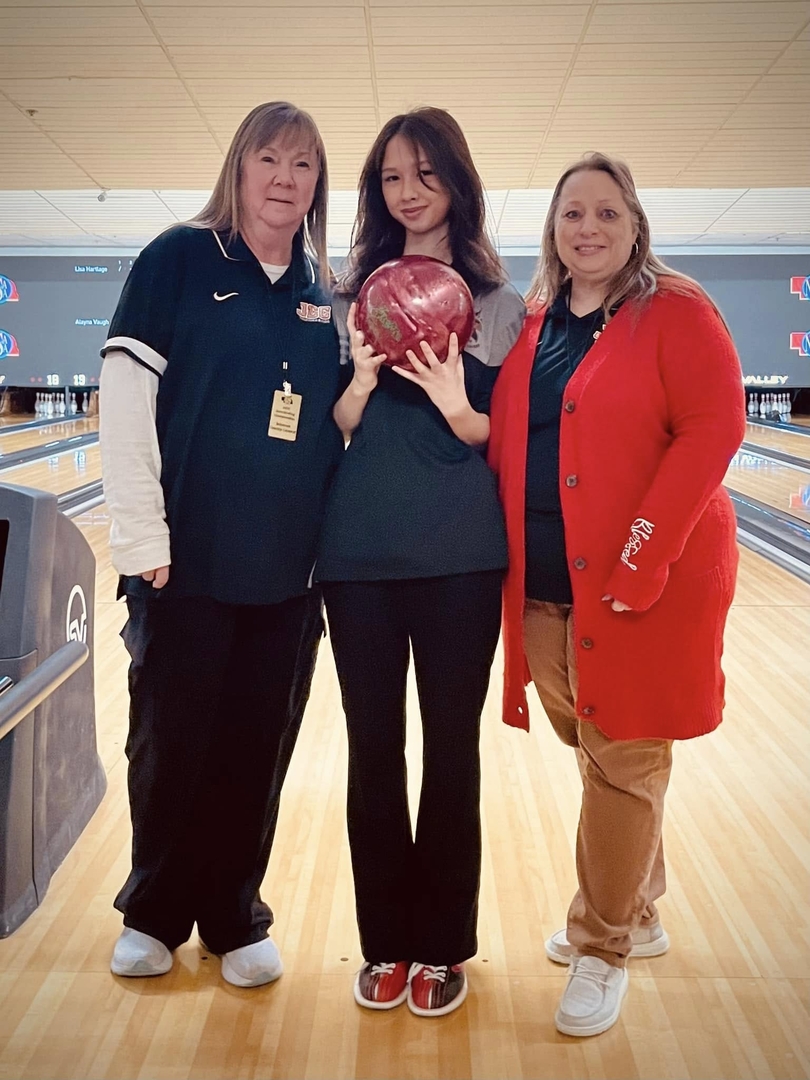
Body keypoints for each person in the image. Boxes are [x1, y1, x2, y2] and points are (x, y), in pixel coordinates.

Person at [488, 152, 746, 1036]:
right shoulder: (536, 323)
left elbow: (715, 426)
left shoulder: (674, 311)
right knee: (599, 747)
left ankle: (602, 947)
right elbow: (517, 436)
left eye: (605, 213)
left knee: (625, 758)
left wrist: (643, 554)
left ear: (635, 223)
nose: (587, 229)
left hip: (648, 586)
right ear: (552, 231)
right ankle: (641, 901)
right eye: (571, 215)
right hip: (551, 588)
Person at [98, 102, 343, 987]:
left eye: (304, 165)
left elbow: (331, 425)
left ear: (319, 184)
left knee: (256, 745)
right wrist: (138, 535)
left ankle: (235, 917)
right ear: (239, 167)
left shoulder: (320, 290)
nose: (286, 178)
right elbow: (125, 397)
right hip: (184, 562)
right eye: (269, 158)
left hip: (288, 571)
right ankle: (157, 911)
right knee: (172, 741)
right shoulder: (177, 258)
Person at [317, 107, 525, 1017]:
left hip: (460, 558)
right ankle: (387, 943)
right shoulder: (346, 296)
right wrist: (359, 383)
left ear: (456, 184)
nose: (407, 193)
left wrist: (456, 404)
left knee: (450, 753)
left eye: (425, 175)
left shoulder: (499, 306)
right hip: (358, 555)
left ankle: (443, 947)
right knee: (373, 751)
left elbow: (502, 441)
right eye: (393, 177)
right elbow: (335, 431)